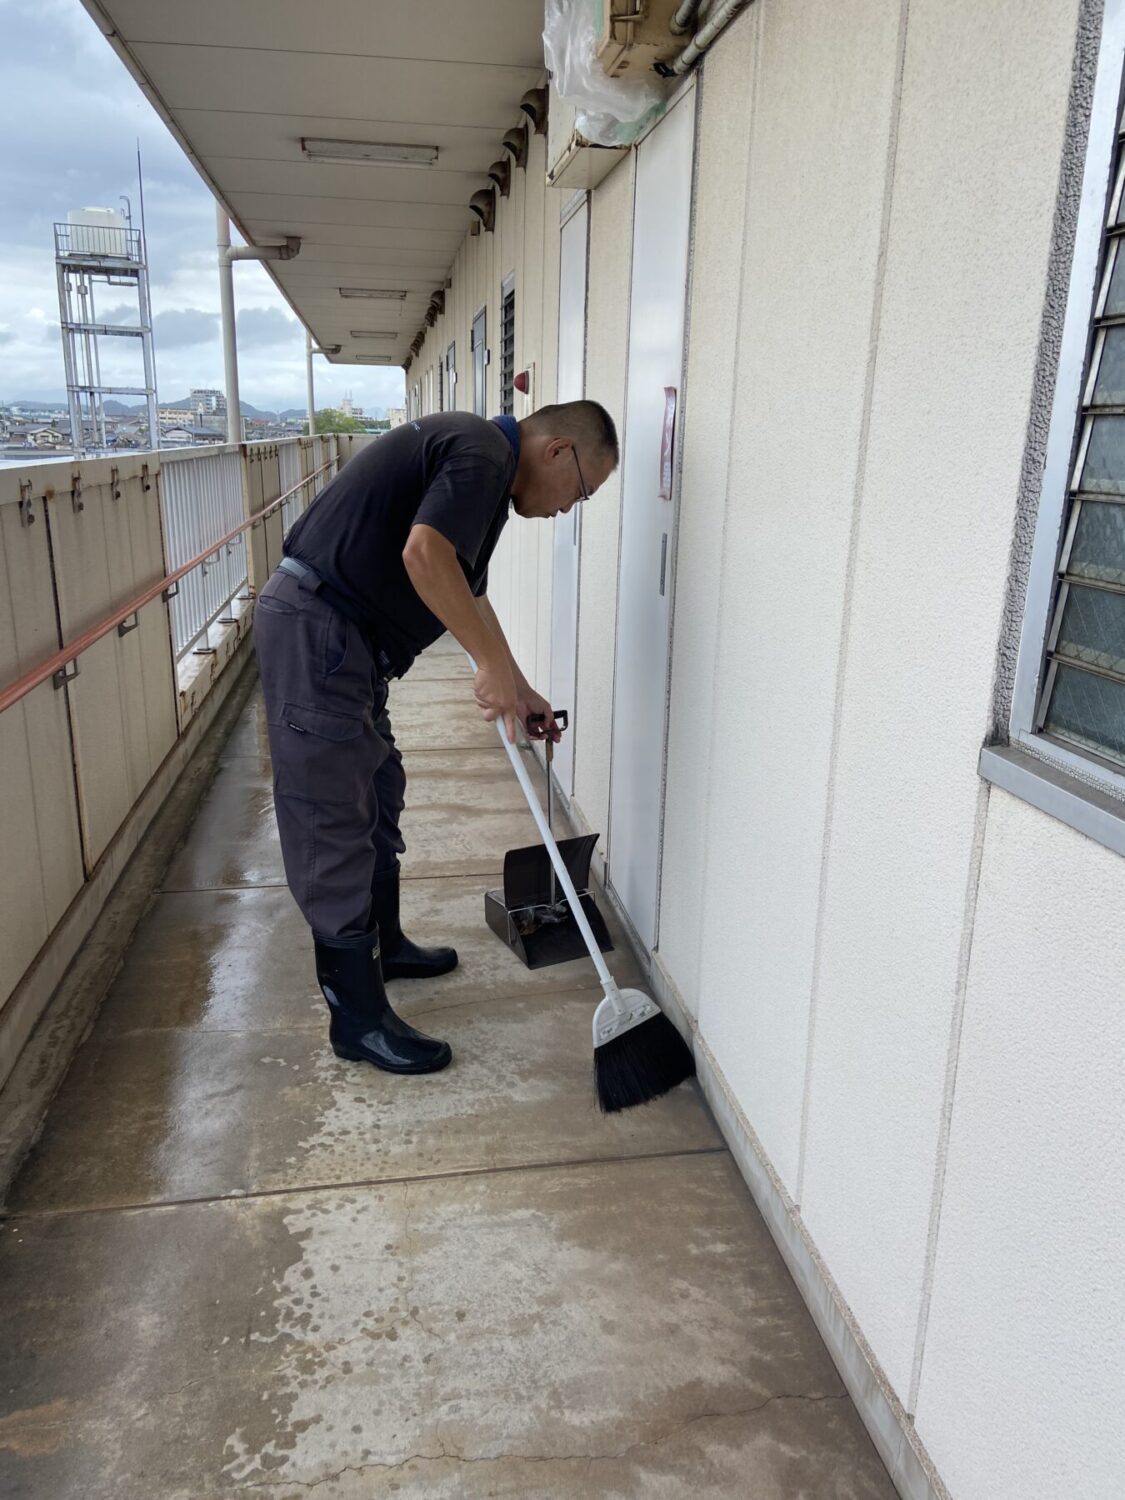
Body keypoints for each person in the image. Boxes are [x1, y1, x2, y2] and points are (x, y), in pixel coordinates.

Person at [253, 400, 619, 1077]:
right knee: (333, 815)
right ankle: (356, 1020)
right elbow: (423, 555)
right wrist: (486, 668)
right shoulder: (481, 453)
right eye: (582, 491)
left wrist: (517, 684)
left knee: (377, 789)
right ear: (558, 451)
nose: (569, 508)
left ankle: (384, 947)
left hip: (347, 642)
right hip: (318, 630)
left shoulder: (486, 471)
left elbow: (466, 591)